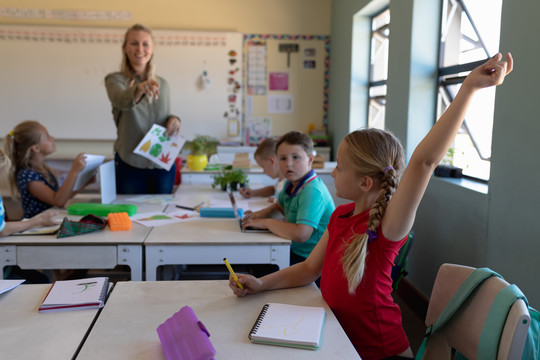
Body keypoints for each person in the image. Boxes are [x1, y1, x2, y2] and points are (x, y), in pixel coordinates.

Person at [229, 53, 513, 359]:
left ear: (365, 182)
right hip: (339, 341)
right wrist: (261, 283)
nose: (333, 173)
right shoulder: (340, 215)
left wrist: (468, 88)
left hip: (380, 353)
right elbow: (310, 269)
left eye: (340, 167)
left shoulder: (388, 226)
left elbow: (424, 162)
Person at [105, 23, 181, 194]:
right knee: (131, 217)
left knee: (162, 216)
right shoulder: (114, 80)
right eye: (134, 43)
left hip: (161, 162)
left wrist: (174, 120)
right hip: (130, 162)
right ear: (125, 48)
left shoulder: (163, 84)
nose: (140, 48)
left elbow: (163, 116)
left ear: (152, 49)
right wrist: (139, 89)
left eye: (145, 44)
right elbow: (120, 100)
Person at [242, 131, 335, 265]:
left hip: (314, 262)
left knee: (256, 267)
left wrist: (266, 222)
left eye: (296, 157)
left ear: (310, 160)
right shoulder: (289, 184)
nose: (288, 164)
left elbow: (301, 234)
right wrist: (257, 216)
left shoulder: (313, 191)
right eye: (283, 158)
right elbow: (279, 207)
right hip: (295, 251)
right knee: (252, 261)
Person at [4, 121, 90, 219]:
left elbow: (63, 196)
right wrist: (74, 171)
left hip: (48, 222)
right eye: (48, 137)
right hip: (35, 228)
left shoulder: (44, 170)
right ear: (36, 148)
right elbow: (58, 201)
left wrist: (85, 183)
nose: (52, 138)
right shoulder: (27, 175)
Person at [1, 149, 59, 283]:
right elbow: (2, 229)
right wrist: (39, 220)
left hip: (6, 263)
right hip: (4, 268)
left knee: (41, 279)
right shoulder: (27, 175)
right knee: (41, 282)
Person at [239, 137, 285, 203]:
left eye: (263, 166)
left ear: (272, 161)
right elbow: (273, 189)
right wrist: (253, 193)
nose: (264, 171)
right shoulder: (281, 180)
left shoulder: (288, 184)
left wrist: (277, 202)